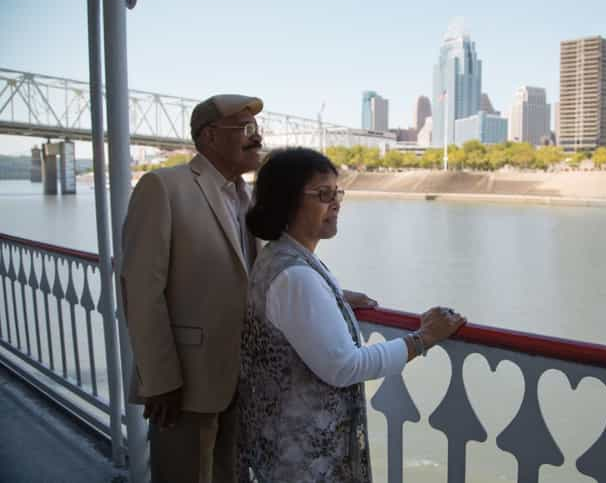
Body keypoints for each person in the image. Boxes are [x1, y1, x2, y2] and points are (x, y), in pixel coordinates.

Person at [238, 147, 466, 482]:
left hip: (281, 444)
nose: (336, 202)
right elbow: (345, 366)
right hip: (304, 458)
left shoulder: (280, 258)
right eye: (323, 194)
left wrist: (335, 298)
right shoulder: (296, 276)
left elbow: (292, 308)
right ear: (287, 201)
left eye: (337, 192)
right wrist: (424, 338)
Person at [120, 94, 264, 483]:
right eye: (246, 129)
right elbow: (141, 291)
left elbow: (259, 274)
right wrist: (160, 379)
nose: (257, 138)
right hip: (185, 384)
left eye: (258, 129)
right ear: (210, 137)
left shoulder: (248, 197)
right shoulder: (162, 187)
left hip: (244, 375)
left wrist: (334, 292)